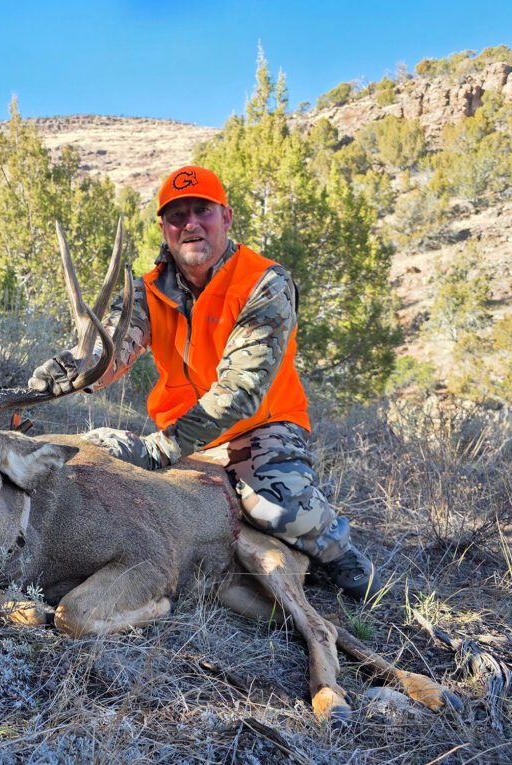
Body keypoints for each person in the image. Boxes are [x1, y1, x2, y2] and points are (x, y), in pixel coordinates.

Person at [29, 165, 382, 601]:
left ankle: (337, 547)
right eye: (177, 216)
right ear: (164, 227)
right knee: (97, 472)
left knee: (271, 508)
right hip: (183, 435)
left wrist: (159, 450)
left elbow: (241, 392)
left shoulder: (264, 283)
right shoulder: (147, 290)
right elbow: (114, 349)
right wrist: (67, 372)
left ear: (226, 218)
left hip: (258, 429)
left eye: (203, 211)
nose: (190, 223)